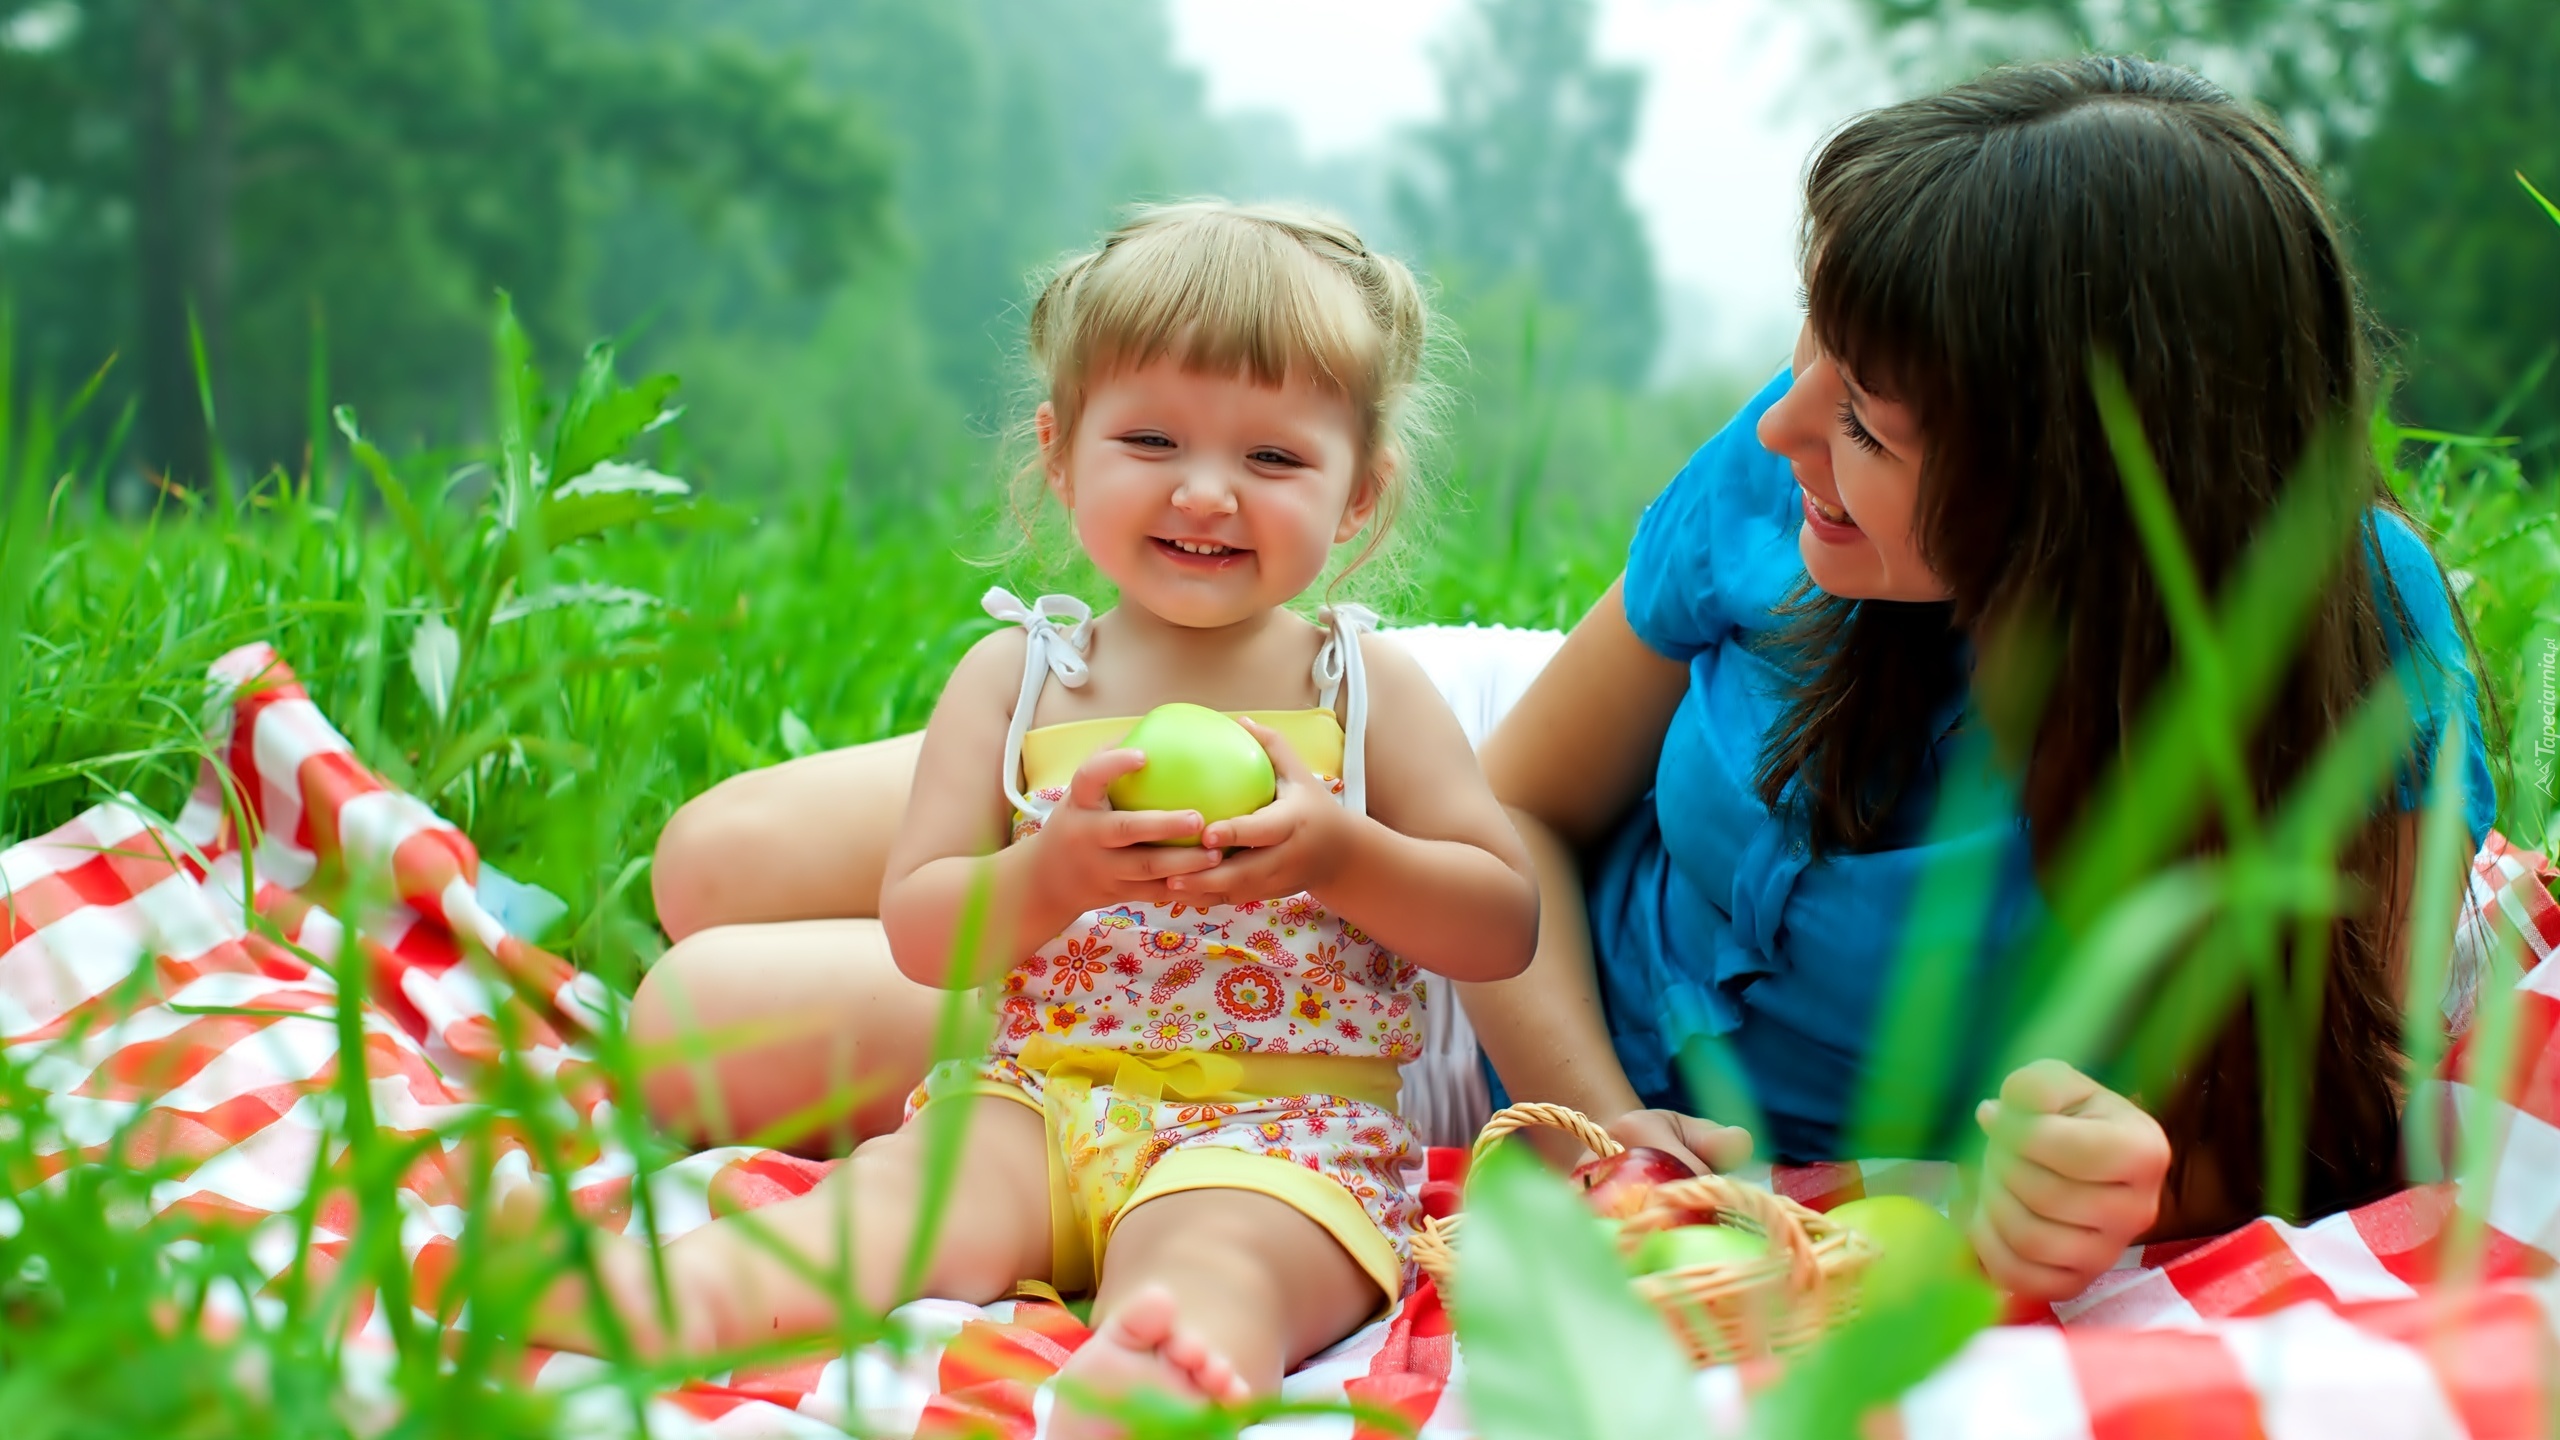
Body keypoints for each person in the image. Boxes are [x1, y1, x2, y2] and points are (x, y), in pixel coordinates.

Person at [633, 56, 2494, 1308]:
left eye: (1868, 415)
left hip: (1432, 993)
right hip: (1455, 789)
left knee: (699, 1020)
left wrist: (2102, 1176)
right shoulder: (1779, 497)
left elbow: (2314, 1097)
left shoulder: (2335, 654)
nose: (1783, 429)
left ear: (2088, 474)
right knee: (714, 852)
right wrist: (1597, 1105)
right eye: (1806, 351)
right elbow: (1523, 792)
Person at [529, 202, 1540, 1429]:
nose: (1208, 492)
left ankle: (1161, 1361)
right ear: (1060, 455)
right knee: (891, 1203)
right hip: (1036, 1097)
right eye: (1152, 439)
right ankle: (659, 1296)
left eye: (1273, 459)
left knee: (1225, 1251)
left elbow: (1502, 924)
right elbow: (920, 929)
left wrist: (1343, 851)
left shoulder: (1362, 688)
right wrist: (1048, 874)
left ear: (1358, 496)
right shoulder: (1019, 682)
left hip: (1285, 1127)